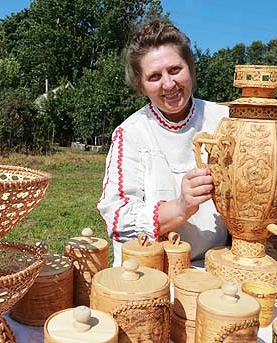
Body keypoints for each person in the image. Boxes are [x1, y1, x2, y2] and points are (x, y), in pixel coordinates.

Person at [97, 19, 229, 267]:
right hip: (151, 270)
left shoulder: (224, 119)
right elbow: (117, 219)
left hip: (217, 266)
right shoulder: (131, 133)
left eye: (175, 70)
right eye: (155, 76)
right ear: (141, 86)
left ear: (190, 67)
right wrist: (181, 207)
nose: (168, 84)